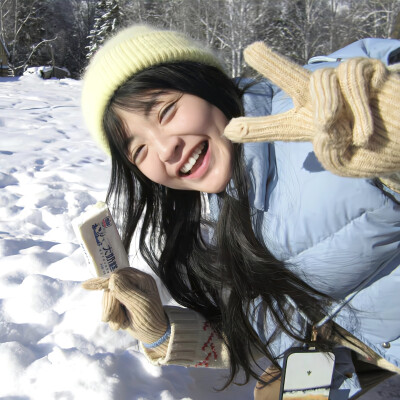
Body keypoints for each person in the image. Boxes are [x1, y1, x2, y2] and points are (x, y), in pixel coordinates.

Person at [81, 24, 400, 399]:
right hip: (357, 338)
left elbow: (375, 87)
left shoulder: (326, 116)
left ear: (207, 83)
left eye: (166, 112)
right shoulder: (223, 200)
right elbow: (261, 324)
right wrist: (162, 329)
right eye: (139, 150)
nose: (165, 150)